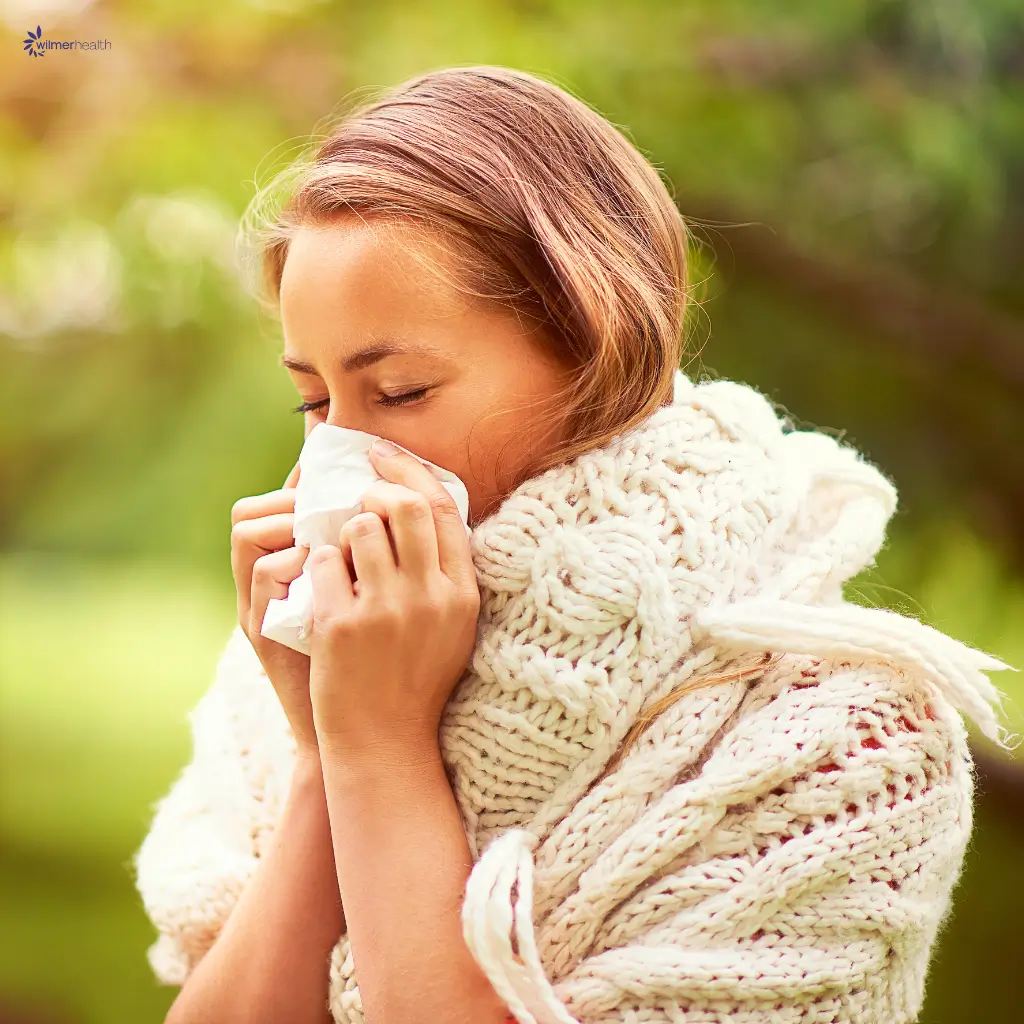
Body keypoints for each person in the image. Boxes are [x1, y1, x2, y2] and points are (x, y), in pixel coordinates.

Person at [133, 65, 1013, 1024]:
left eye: (399, 393)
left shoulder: (843, 738)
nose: (340, 456)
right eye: (315, 400)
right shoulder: (314, 660)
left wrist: (385, 753)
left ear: (597, 353)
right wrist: (323, 749)